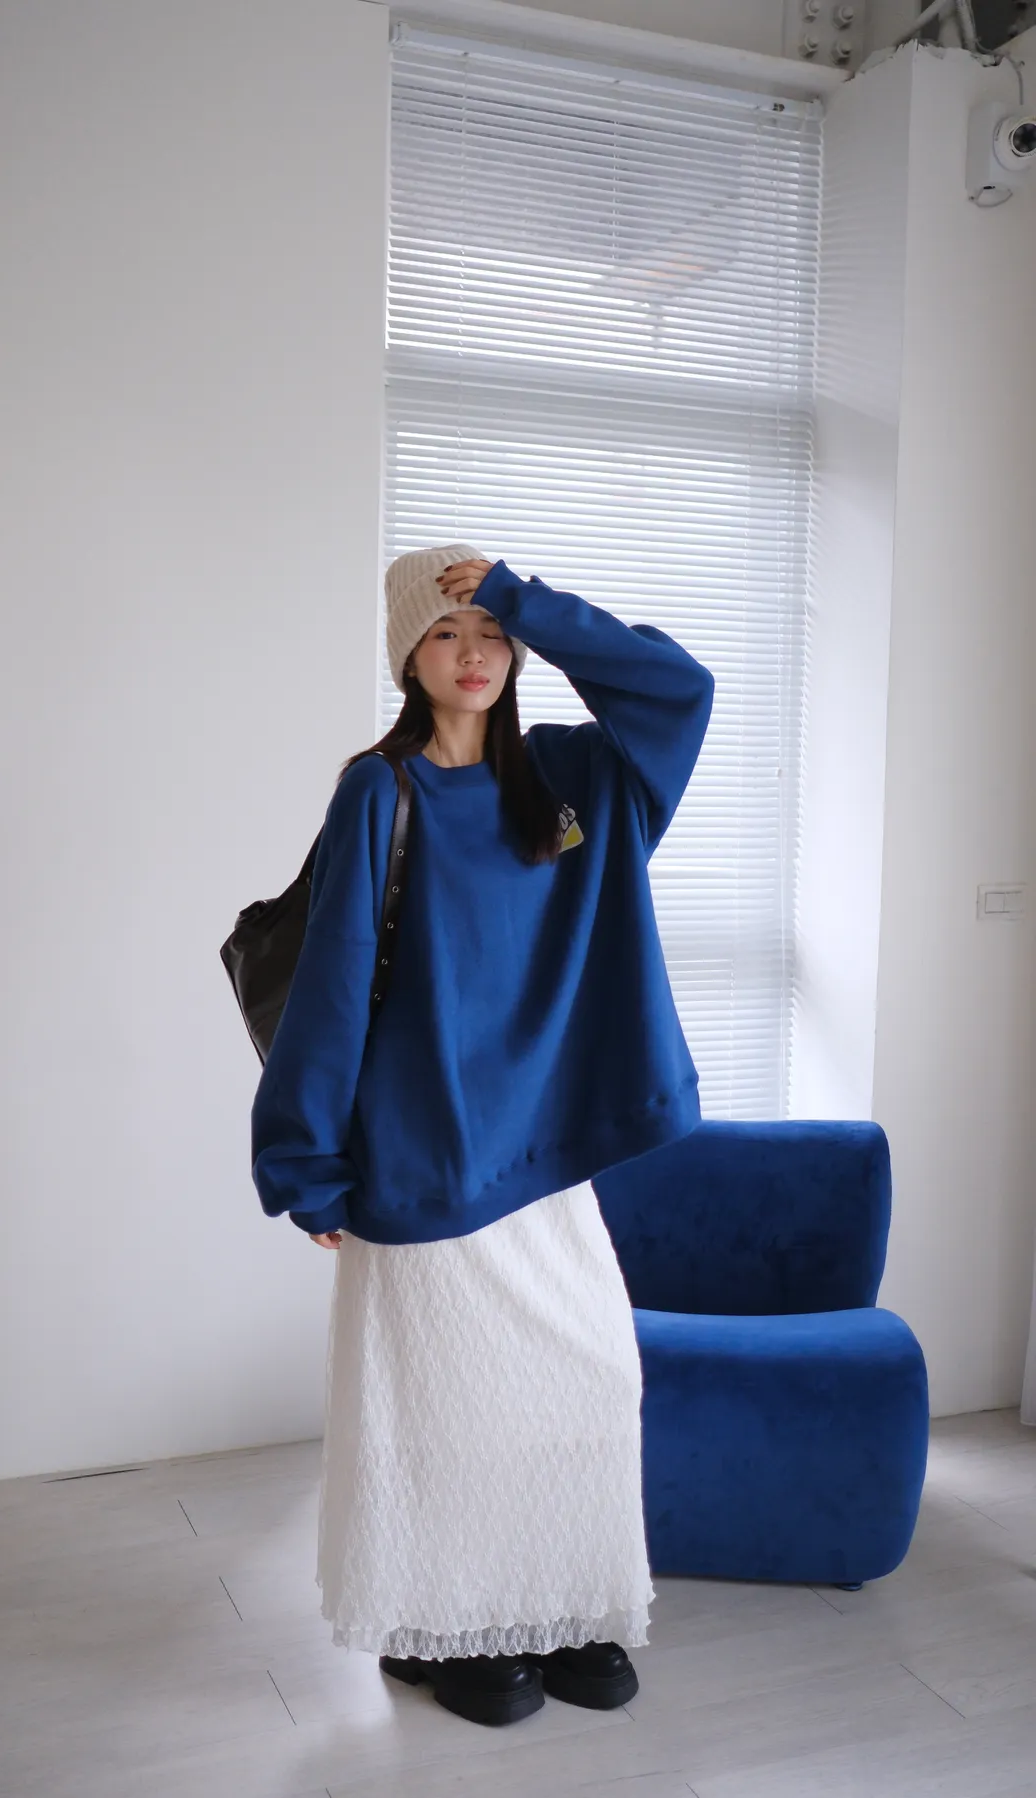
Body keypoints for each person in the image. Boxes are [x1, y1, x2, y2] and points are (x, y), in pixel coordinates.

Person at [250, 543, 714, 1728]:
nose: (475, 654)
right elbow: (332, 986)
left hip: (546, 1154)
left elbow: (679, 688)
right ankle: (449, 1626)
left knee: (588, 1381)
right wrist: (308, 1163)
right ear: (408, 655)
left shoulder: (577, 777)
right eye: (447, 631)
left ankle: (561, 1605)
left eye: (490, 633)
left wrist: (521, 595)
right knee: (453, 1411)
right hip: (427, 1155)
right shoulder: (381, 791)